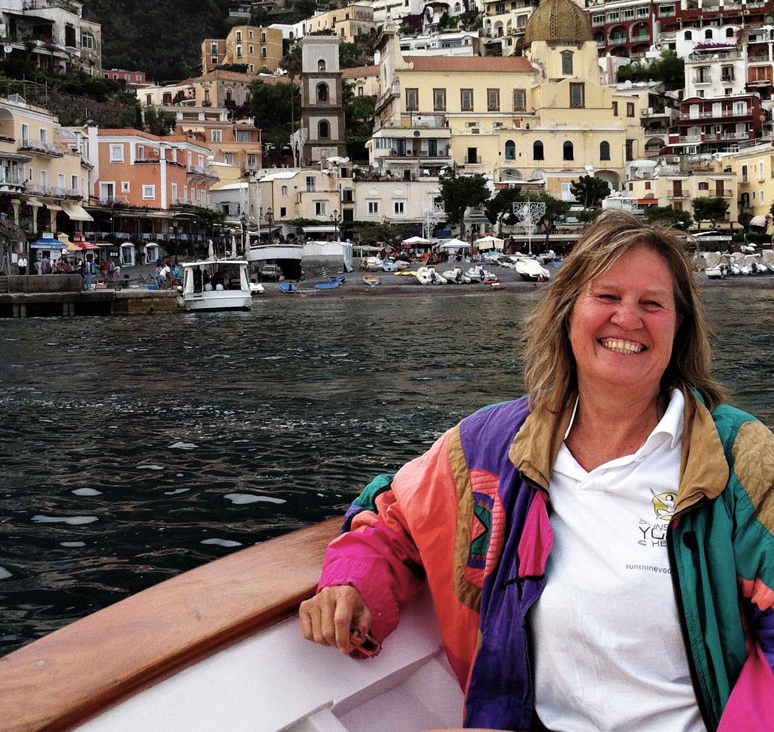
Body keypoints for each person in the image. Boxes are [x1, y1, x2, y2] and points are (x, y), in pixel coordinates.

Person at [300, 210, 774, 731]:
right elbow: (395, 512)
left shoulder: (734, 456)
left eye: (653, 304)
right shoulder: (493, 446)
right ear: (568, 312)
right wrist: (351, 583)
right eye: (608, 297)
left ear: (679, 327)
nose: (628, 319)